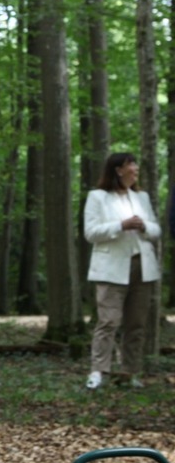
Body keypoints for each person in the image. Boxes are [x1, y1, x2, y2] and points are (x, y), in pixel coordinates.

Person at [83, 152, 160, 390]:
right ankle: (98, 371)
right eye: (131, 165)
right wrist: (121, 225)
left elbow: (156, 230)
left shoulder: (141, 197)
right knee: (108, 321)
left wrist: (144, 226)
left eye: (136, 164)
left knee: (136, 323)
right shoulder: (98, 197)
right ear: (118, 170)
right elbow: (91, 232)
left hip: (142, 267)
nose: (135, 168)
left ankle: (129, 372)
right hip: (111, 268)